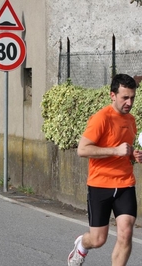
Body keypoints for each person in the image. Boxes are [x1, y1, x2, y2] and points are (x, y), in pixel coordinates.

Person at [67, 74, 142, 266]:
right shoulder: (101, 118)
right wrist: (115, 151)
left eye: (132, 97)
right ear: (112, 95)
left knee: (126, 232)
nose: (129, 102)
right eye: (125, 97)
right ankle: (82, 245)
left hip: (125, 184)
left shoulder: (131, 120)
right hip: (100, 185)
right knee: (98, 239)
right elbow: (82, 150)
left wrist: (134, 154)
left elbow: (125, 149)